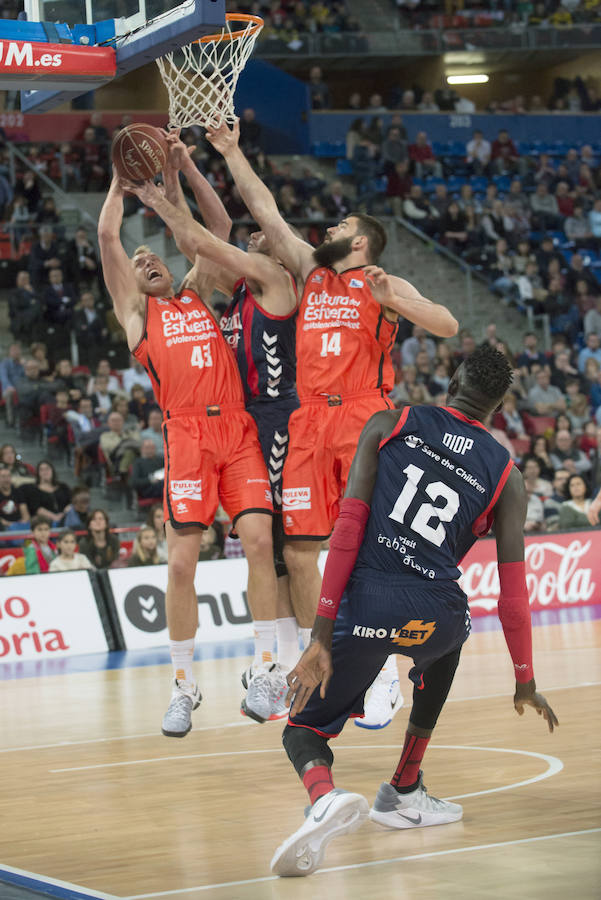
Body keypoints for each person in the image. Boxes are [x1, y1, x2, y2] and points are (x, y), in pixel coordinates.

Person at [206, 118, 459, 728]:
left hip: (367, 418)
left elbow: (448, 324)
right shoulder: (310, 269)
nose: (330, 229)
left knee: (370, 548)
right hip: (307, 421)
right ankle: (303, 666)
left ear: (363, 242)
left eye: (341, 227)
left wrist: (397, 300)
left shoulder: (381, 284)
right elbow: (264, 210)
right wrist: (232, 150)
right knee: (298, 549)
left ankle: (377, 676)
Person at [271, 345, 558, 877]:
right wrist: (525, 679)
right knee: (448, 646)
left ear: (450, 381)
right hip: (438, 611)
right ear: (496, 408)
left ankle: (324, 797)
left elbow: (349, 530)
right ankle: (404, 787)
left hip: (365, 604)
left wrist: (320, 633)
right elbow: (512, 597)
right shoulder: (506, 474)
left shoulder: (391, 422)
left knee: (302, 731)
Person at [99, 134, 280, 735]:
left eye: (156, 258)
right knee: (181, 565)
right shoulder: (137, 315)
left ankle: (265, 668)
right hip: (185, 439)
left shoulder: (199, 292)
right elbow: (107, 240)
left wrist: (181, 167)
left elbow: (220, 223)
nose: (147, 261)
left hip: (237, 431)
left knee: (258, 541)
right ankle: (183, 684)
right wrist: (118, 188)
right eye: (140, 260)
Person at [19, 460, 71, 525]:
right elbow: (37, 509)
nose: (45, 472)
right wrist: (55, 517)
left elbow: (71, 503)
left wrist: (63, 514)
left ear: (52, 471)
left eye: (47, 469)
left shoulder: (63, 487)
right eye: (41, 470)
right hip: (44, 522)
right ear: (38, 473)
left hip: (66, 518)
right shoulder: (33, 489)